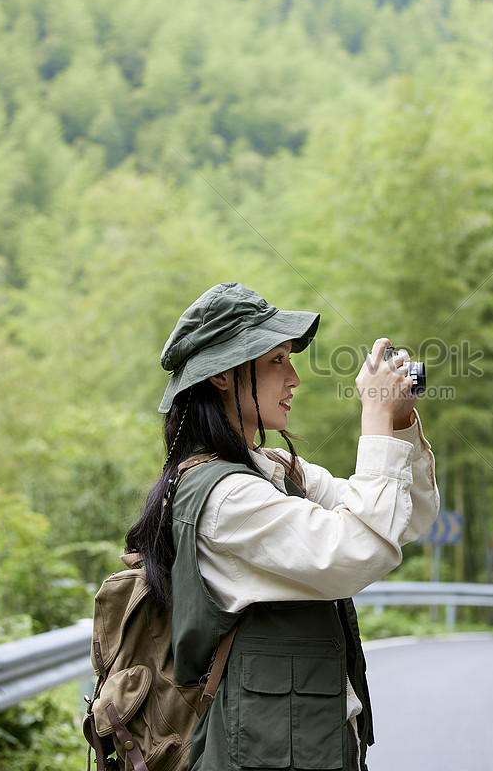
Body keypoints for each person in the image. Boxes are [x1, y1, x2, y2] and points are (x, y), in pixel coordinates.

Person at [125, 282, 439, 771]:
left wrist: (397, 425)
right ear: (224, 376)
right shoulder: (225, 497)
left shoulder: (272, 470)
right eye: (276, 361)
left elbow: (406, 519)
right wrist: (372, 420)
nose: (293, 378)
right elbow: (355, 551)